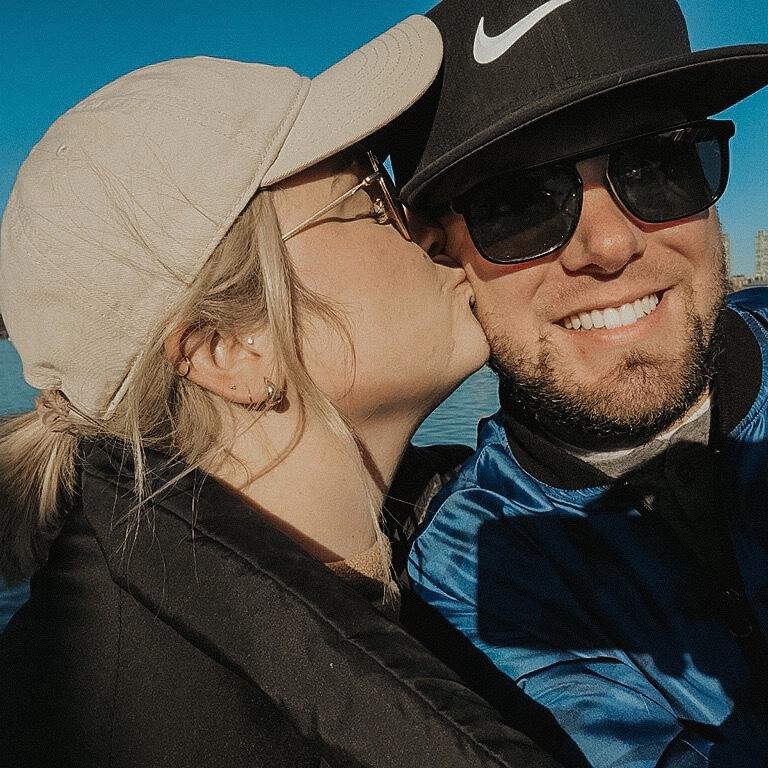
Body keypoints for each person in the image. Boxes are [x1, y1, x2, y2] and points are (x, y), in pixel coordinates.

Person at [0, 18, 564, 768]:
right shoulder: (156, 729)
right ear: (230, 349)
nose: (430, 228)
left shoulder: (449, 547)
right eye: (373, 196)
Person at [391, 0, 768, 766]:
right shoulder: (476, 571)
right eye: (520, 204)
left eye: (656, 165)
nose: (610, 243)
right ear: (440, 257)